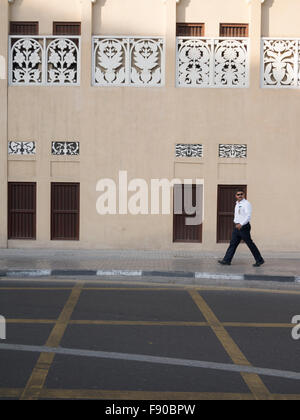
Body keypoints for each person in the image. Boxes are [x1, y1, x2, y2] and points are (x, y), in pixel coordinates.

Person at [218, 190, 264, 267]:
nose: (240, 195)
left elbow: (248, 216)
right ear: (235, 196)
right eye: (238, 194)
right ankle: (227, 260)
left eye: (241, 194)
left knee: (250, 244)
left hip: (244, 227)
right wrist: (236, 222)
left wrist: (241, 224)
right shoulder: (237, 204)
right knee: (233, 244)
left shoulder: (246, 204)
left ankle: (259, 260)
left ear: (244, 195)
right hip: (237, 227)